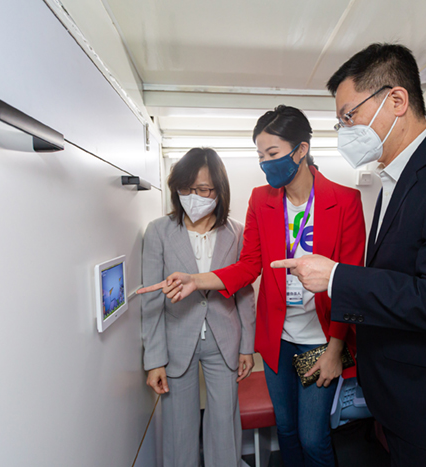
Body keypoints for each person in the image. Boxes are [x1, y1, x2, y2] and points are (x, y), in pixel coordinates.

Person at [271, 44, 426, 466]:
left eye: (350, 116)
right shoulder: (392, 180)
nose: (345, 129)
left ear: (396, 100)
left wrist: (337, 278)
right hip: (403, 405)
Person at [139, 106, 366, 467]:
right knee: (287, 430)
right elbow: (247, 267)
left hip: (322, 337)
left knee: (313, 438)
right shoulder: (262, 200)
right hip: (278, 338)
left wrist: (335, 349)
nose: (265, 163)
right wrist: (196, 280)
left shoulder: (346, 201)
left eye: (272, 154)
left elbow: (351, 283)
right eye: (260, 155)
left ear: (301, 150)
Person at [140, 147, 256, 467]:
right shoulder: (158, 232)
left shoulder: (237, 233)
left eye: (203, 189)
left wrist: (247, 346)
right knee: (179, 429)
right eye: (185, 189)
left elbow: (244, 293)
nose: (194, 197)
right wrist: (155, 360)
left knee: (224, 425)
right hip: (177, 338)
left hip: (224, 338)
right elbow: (151, 299)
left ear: (219, 190)